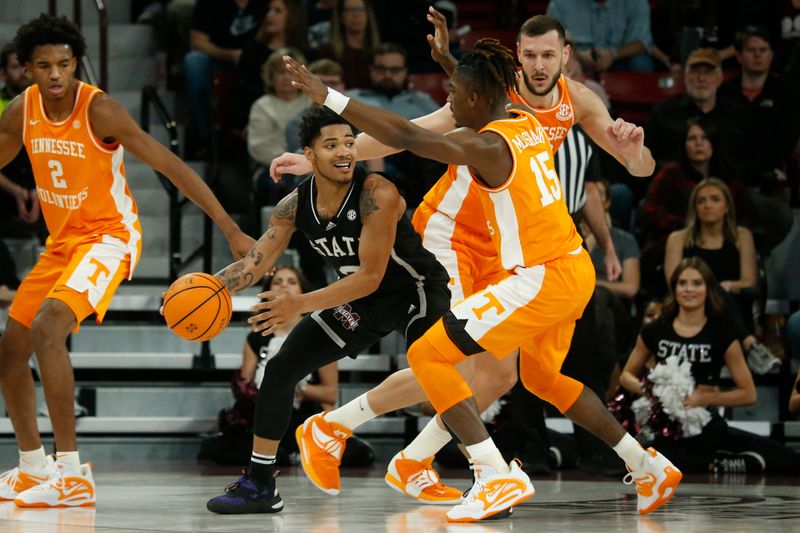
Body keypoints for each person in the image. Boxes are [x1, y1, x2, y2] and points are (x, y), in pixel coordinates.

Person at [270, 11, 663, 505]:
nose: (539, 65)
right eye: (531, 55)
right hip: (451, 234)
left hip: (511, 247)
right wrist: (322, 157)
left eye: (549, 55)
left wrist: (636, 152)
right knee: (448, 355)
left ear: (567, 56)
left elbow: (639, 166)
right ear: (516, 59)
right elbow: (408, 132)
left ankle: (394, 451)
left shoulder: (573, 101)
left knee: (498, 372)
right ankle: (340, 431)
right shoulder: (499, 101)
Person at [0, 14, 253, 508]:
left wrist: (230, 228)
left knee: (50, 327)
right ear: (26, 68)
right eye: (45, 65)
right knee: (11, 350)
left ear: (77, 64)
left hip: (109, 237)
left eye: (65, 64)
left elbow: (173, 166)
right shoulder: (20, 111)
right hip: (61, 244)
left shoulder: (101, 110)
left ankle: (71, 474)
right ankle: (33, 468)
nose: (56, 74)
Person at [204, 105, 451, 515]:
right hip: (360, 302)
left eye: (350, 143)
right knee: (282, 368)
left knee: (439, 375)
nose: (344, 152)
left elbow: (372, 276)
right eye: (331, 144)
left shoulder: (377, 193)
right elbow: (256, 262)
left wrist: (298, 303)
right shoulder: (295, 205)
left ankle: (485, 475)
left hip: (416, 290)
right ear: (310, 153)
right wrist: (214, 287)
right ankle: (260, 484)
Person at [620, 256, 799, 474]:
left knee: (786, 458)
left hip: (702, 421)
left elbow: (748, 394)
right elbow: (626, 375)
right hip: (663, 422)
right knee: (646, 456)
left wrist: (704, 398)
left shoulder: (722, 333)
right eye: (682, 283)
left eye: (696, 283)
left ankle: (719, 463)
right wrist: (654, 393)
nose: (689, 289)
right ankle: (715, 465)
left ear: (708, 288)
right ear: (674, 288)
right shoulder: (655, 329)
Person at [199, 265, 375, 467]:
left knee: (359, 454)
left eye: (292, 282)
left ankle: (286, 454)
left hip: (302, 416)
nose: (284, 286)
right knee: (213, 446)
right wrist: (249, 391)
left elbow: (330, 394)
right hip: (266, 414)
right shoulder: (256, 337)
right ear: (267, 290)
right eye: (277, 281)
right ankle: (284, 455)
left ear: (303, 291)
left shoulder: (322, 333)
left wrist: (290, 385)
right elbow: (244, 385)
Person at [664, 178, 781, 375]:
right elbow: (674, 282)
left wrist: (725, 286)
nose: (707, 205)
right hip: (688, 304)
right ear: (695, 208)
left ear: (727, 206)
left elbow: (749, 281)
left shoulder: (741, 236)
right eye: (701, 201)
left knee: (716, 293)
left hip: (730, 307)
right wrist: (711, 289)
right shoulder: (678, 238)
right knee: (710, 289)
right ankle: (749, 344)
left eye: (715, 199)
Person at [183, 0, 265, 148]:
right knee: (193, 61)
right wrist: (232, 55)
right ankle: (206, 135)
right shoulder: (209, 3)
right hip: (218, 58)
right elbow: (197, 43)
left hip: (256, 58)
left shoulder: (267, 4)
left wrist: (249, 56)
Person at [231, 0, 309, 131]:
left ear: (292, 16)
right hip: (261, 117)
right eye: (268, 10)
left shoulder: (305, 52)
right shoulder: (252, 51)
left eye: (277, 11)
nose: (269, 15)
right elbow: (241, 94)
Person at [247, 47, 310, 206]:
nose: (285, 77)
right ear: (271, 76)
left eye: (290, 71)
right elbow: (259, 146)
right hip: (273, 167)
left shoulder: (311, 101)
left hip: (311, 163)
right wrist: (291, 162)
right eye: (280, 72)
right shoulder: (262, 106)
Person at [546, 0, 654, 73]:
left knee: (642, 63)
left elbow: (642, 41)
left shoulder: (635, 2)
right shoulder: (560, 3)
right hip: (576, 59)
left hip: (619, 59)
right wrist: (577, 55)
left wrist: (613, 54)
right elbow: (550, 40)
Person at [0, 43, 38, 237]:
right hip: (5, 186)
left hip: (45, 187)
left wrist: (41, 192)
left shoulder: (48, 105)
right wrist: (15, 191)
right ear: (3, 73)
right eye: (15, 67)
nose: (22, 73)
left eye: (26, 66)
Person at [315, 0, 381, 90]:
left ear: (368, 15)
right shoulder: (326, 52)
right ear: (341, 17)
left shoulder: (379, 53)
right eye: (350, 10)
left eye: (360, 9)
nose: (356, 15)